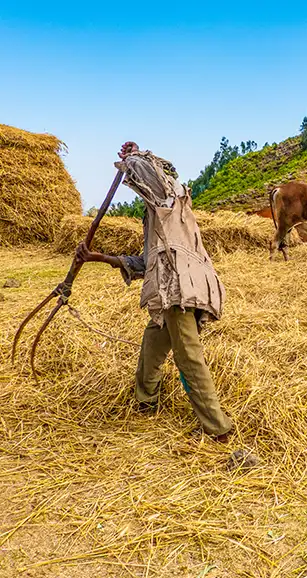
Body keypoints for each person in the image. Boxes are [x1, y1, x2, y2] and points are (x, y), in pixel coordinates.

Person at [76, 142, 233, 443]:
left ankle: (217, 427)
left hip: (178, 288)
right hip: (171, 287)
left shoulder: (170, 198)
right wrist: (98, 257)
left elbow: (148, 172)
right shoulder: (158, 219)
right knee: (153, 342)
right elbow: (146, 262)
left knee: (188, 356)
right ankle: (146, 401)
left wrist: (133, 156)